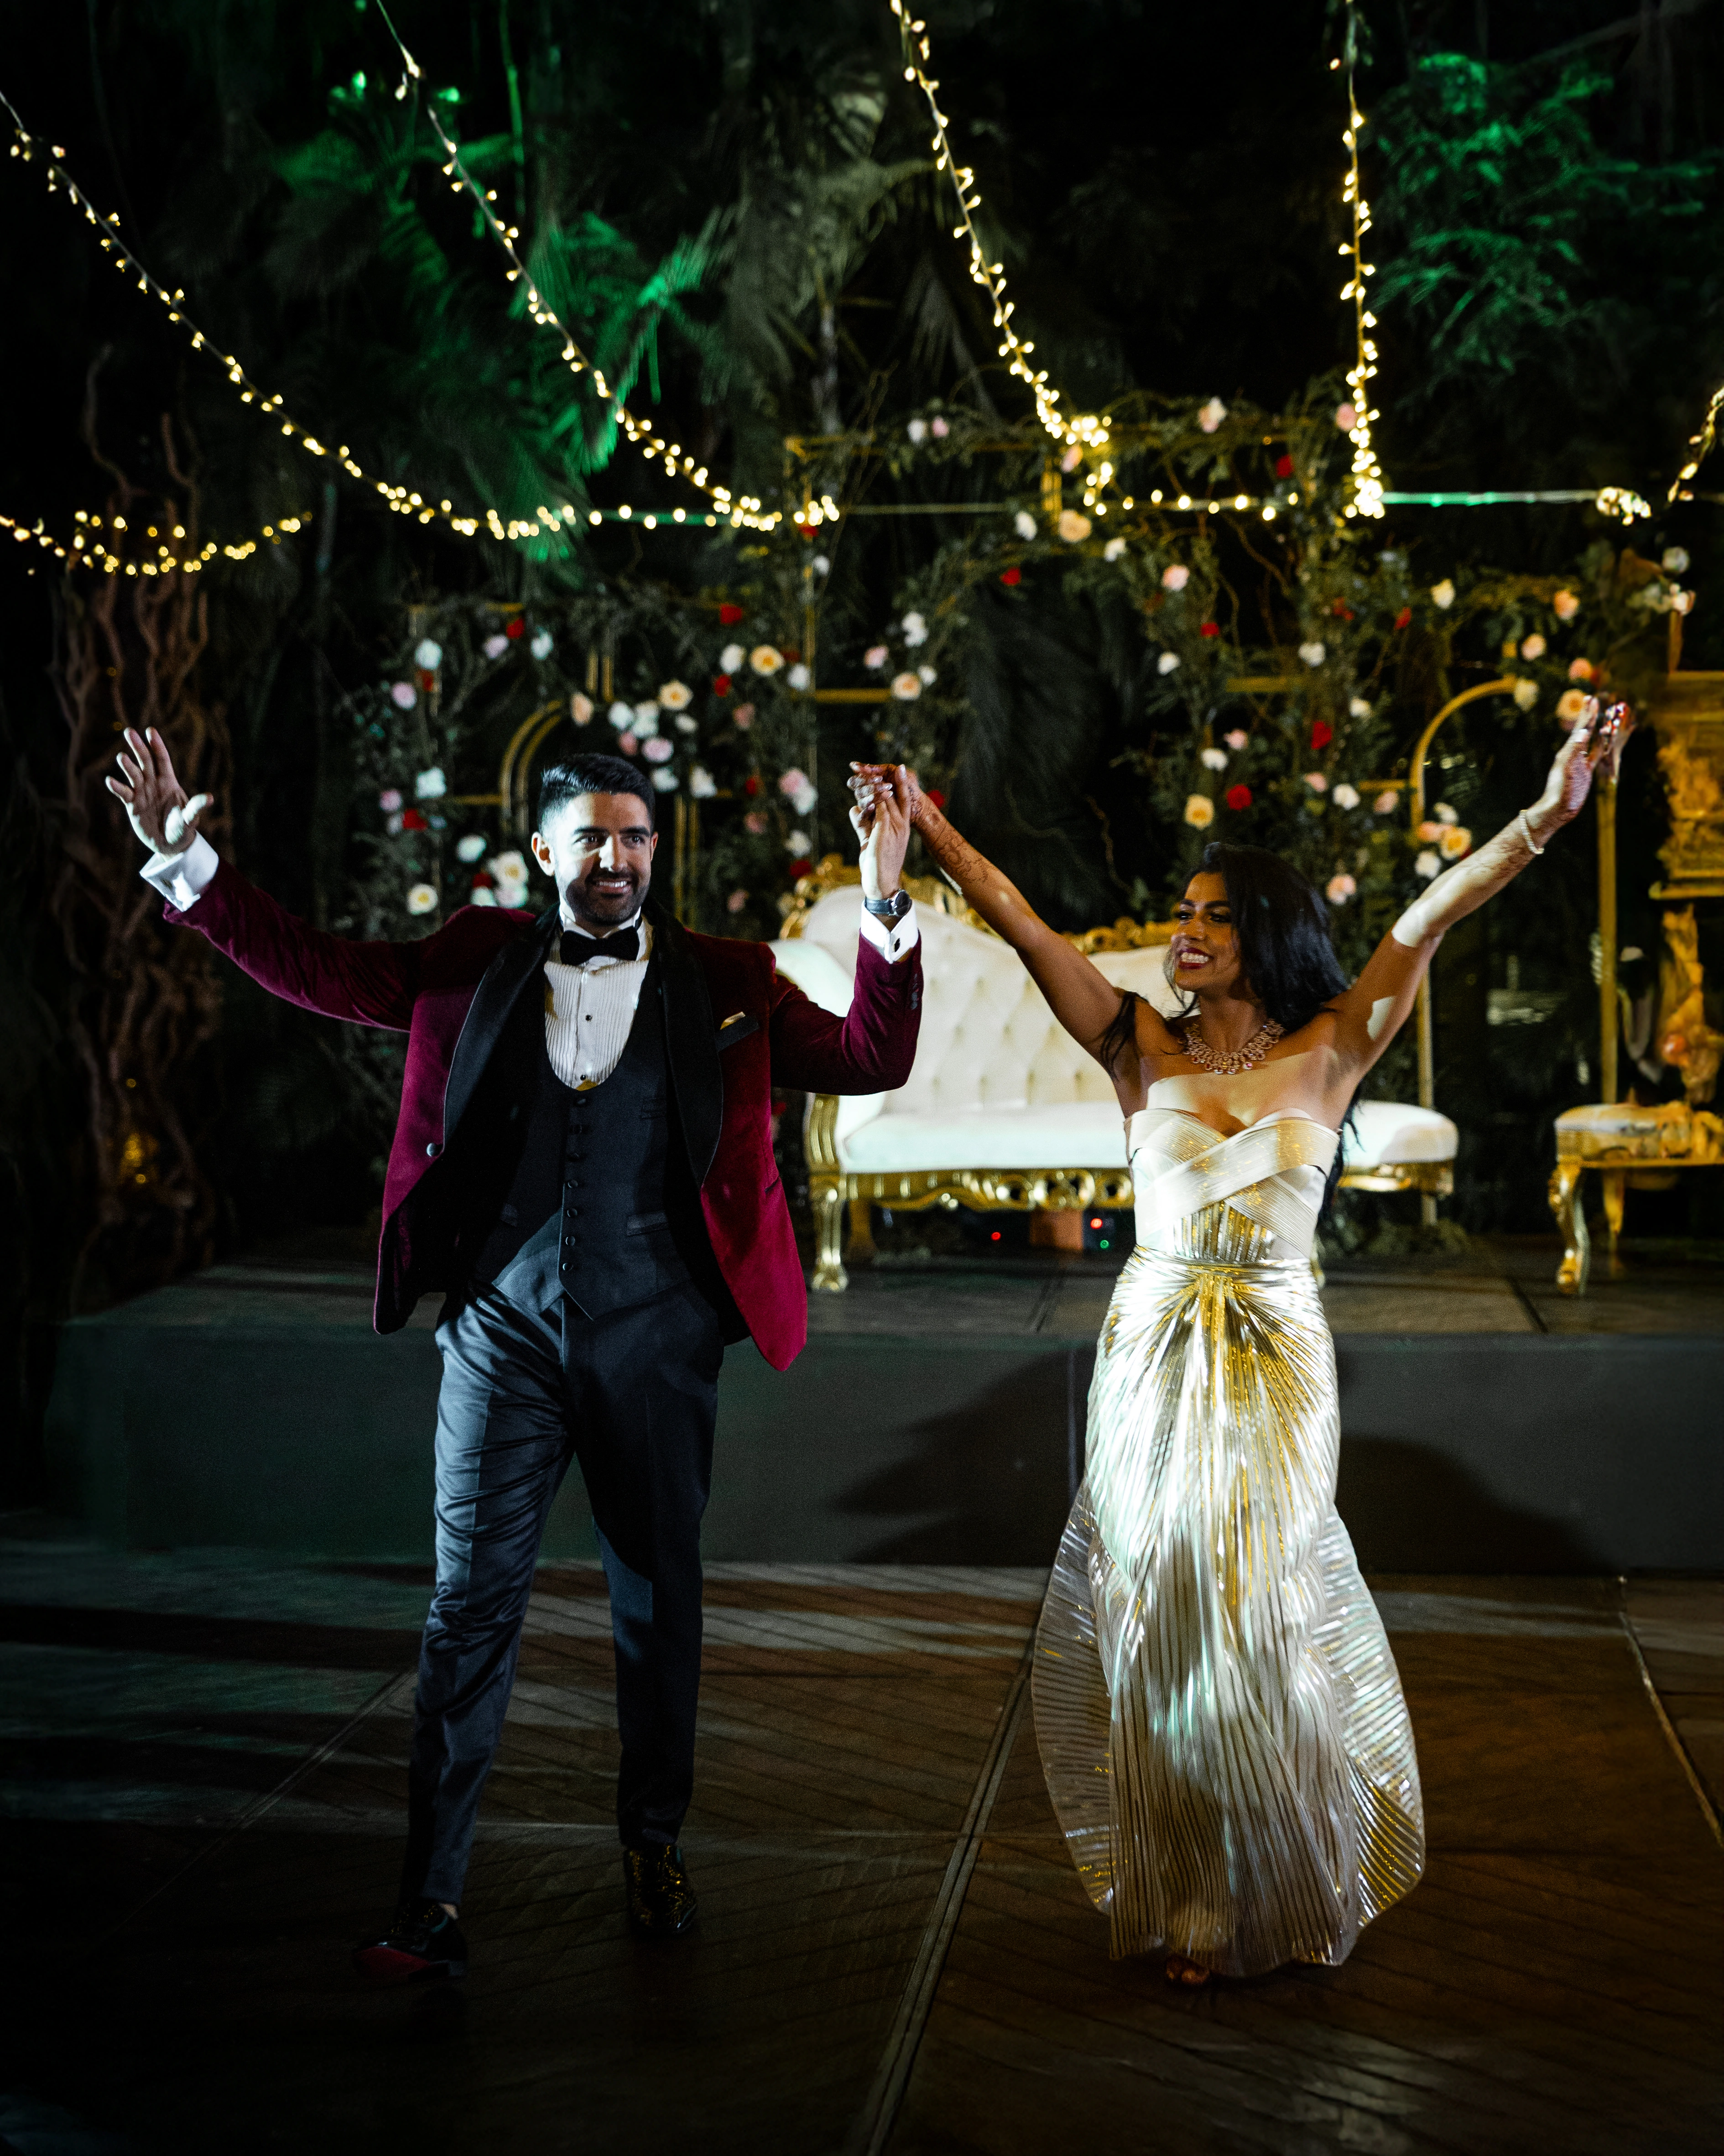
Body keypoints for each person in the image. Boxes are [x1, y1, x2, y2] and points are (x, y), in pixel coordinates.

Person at [109, 735, 923, 1979]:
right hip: (501, 1333)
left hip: (659, 1341)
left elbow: (872, 1058)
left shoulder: (728, 976)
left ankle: (654, 1844)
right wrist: (189, 862)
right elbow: (321, 969)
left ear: (659, 848)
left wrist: (881, 896)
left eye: (636, 836)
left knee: (660, 1605)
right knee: (466, 1607)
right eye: (591, 836)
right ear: (544, 850)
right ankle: (429, 1898)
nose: (616, 858)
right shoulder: (470, 961)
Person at [851, 699, 1631, 1984]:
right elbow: (1027, 923)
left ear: (1265, 930)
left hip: (1276, 1349)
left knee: (1255, 1604)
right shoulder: (1134, 1043)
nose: (1187, 927)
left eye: (1215, 912)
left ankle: (1285, 1860)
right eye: (1186, 910)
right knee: (1157, 1601)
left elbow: (1433, 914)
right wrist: (928, 823)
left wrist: (1550, 814)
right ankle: (1192, 1887)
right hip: (1152, 1346)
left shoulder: (1334, 1046)